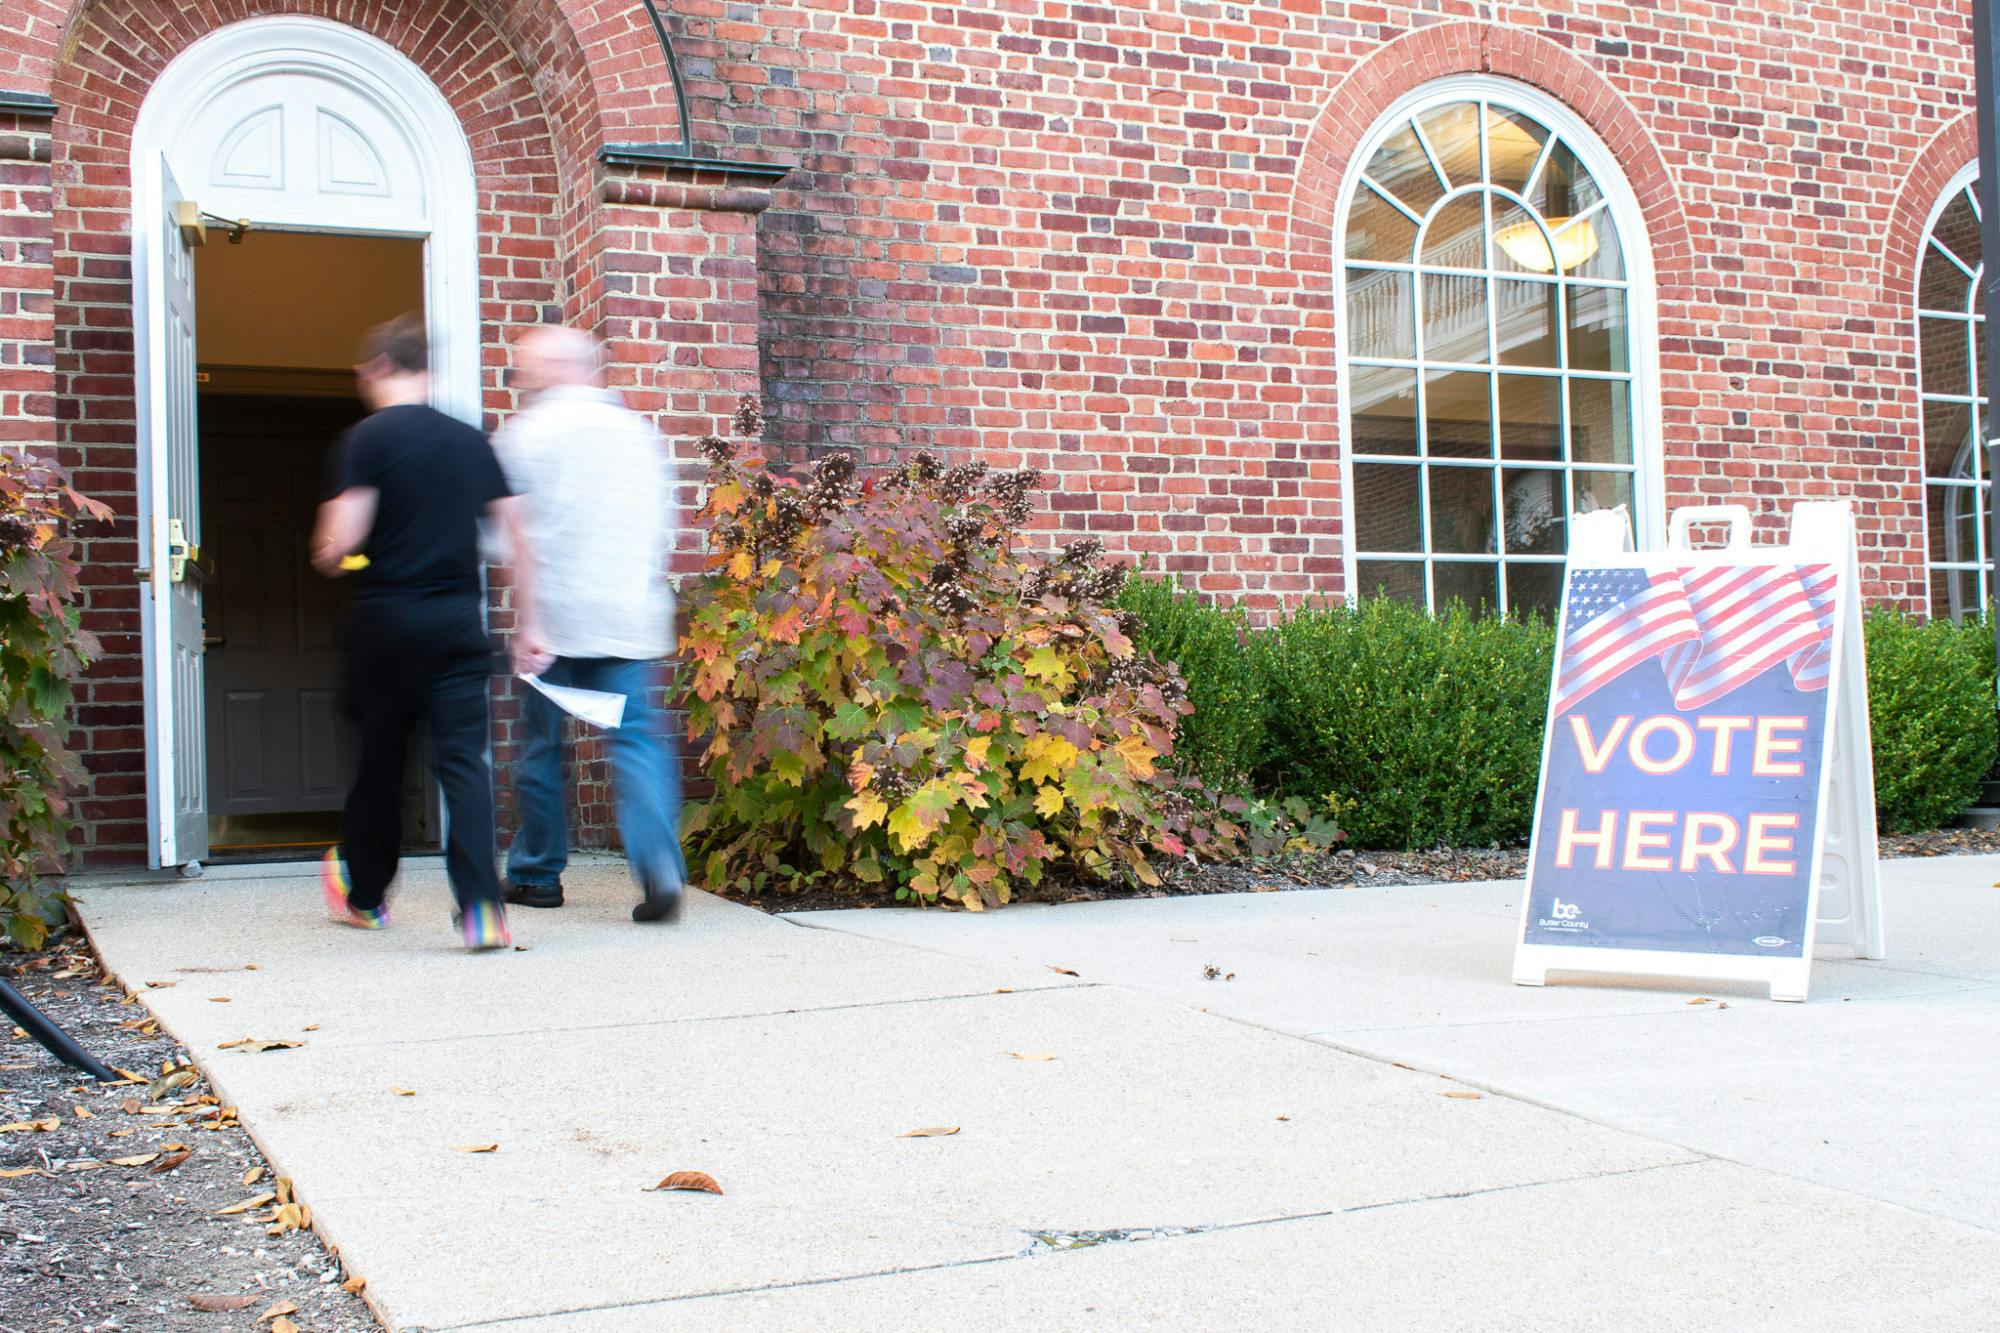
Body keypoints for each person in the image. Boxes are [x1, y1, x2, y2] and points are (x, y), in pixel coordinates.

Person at [311, 314, 531, 951]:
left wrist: (330, 549)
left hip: (386, 625)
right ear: (424, 369)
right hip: (459, 625)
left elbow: (343, 541)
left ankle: (366, 900)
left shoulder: (366, 439)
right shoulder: (470, 440)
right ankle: (482, 910)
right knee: (465, 765)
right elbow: (516, 539)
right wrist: (528, 625)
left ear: (376, 368)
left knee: (380, 761)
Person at [495, 325, 688, 922]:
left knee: (542, 748)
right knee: (636, 742)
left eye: (526, 364)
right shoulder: (638, 435)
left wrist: (528, 624)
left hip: (555, 619)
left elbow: (511, 536)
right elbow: (666, 526)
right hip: (628, 615)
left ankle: (536, 874)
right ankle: (658, 866)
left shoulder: (526, 436)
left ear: (551, 368)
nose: (521, 374)